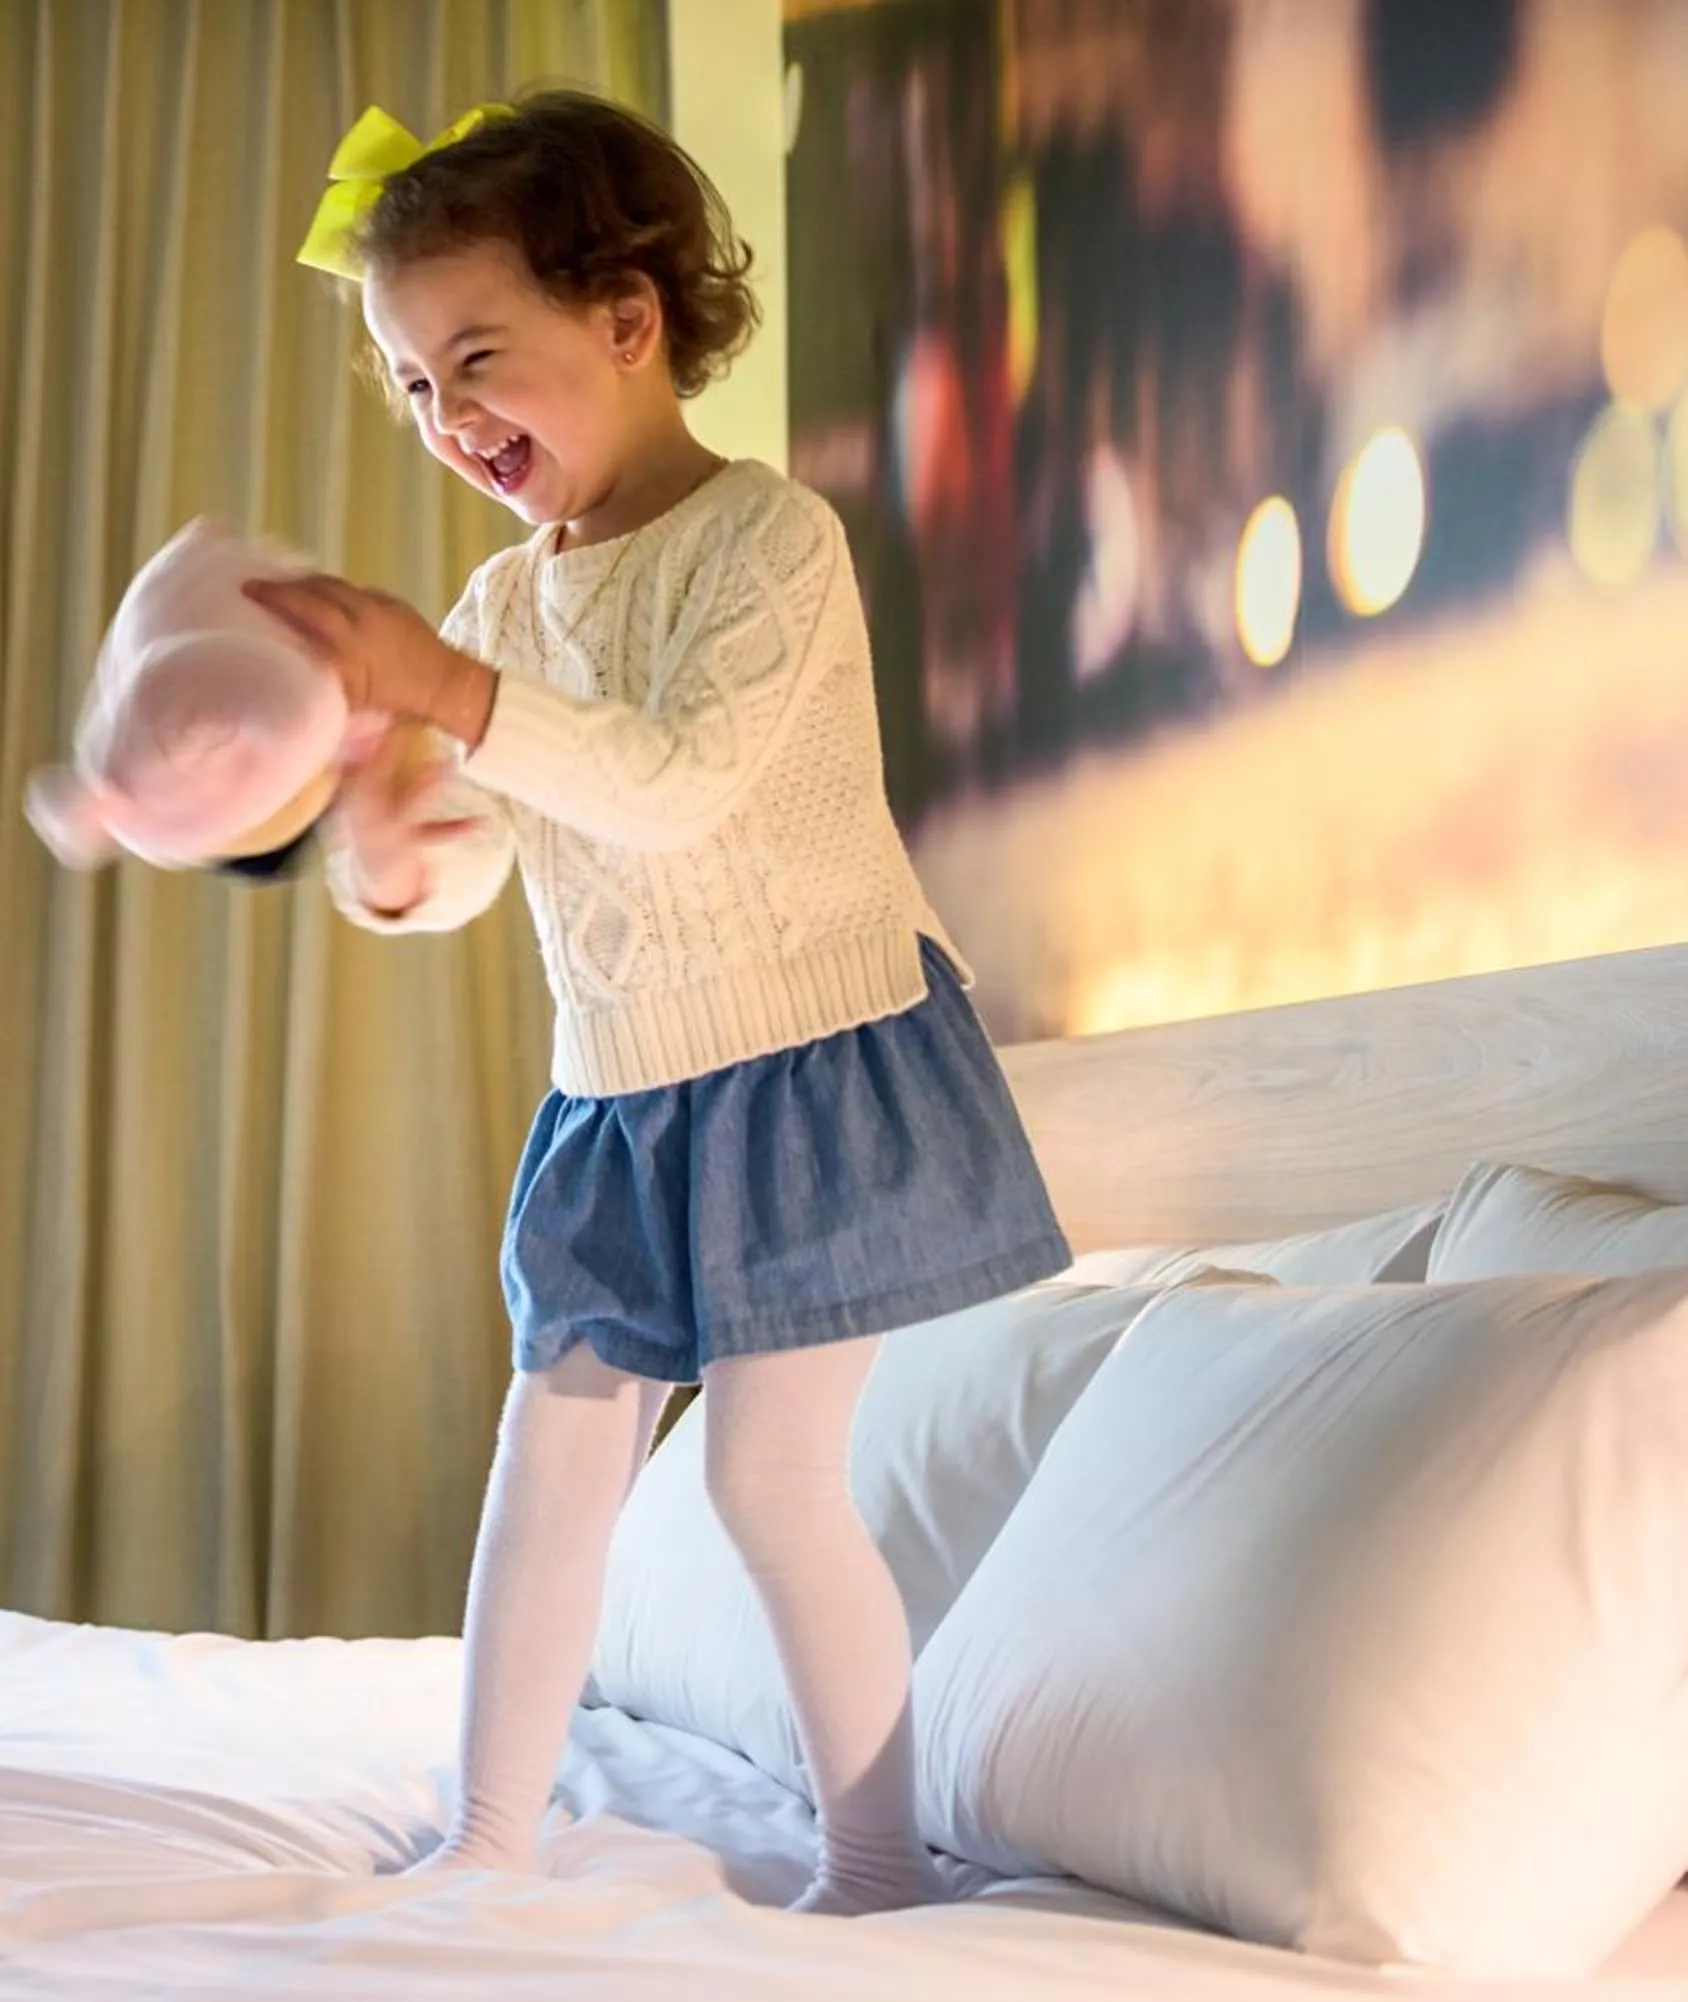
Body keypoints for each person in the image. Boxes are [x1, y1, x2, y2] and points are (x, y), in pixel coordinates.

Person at [244, 90, 1069, 1916]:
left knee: (769, 1479)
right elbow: (487, 847)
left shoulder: (771, 542)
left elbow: (675, 783)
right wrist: (388, 838)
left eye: (476, 361)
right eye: (413, 384)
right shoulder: (499, 604)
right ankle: (489, 1832)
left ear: (627, 320)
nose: (447, 418)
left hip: (808, 1068)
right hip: (620, 1087)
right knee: (548, 1466)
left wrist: (457, 700)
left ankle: (876, 1861)